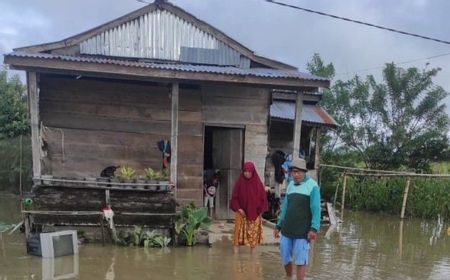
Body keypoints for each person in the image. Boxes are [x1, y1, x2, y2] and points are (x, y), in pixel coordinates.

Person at [273, 158, 321, 280]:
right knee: (285, 255)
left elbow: (316, 209)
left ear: (304, 172)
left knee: (300, 260)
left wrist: (314, 229)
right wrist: (278, 225)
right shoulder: (290, 186)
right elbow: (285, 208)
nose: (295, 175)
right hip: (287, 229)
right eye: (293, 172)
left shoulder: (313, 186)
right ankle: (288, 277)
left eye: (298, 172)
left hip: (303, 231)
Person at [230, 161, 268, 254]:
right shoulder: (239, 183)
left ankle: (253, 260)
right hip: (241, 213)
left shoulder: (258, 184)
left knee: (253, 238)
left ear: (253, 172)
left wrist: (259, 212)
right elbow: (234, 197)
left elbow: (263, 199)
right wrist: (239, 209)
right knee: (237, 237)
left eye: (249, 171)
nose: (247, 173)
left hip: (254, 214)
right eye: (245, 171)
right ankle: (235, 258)